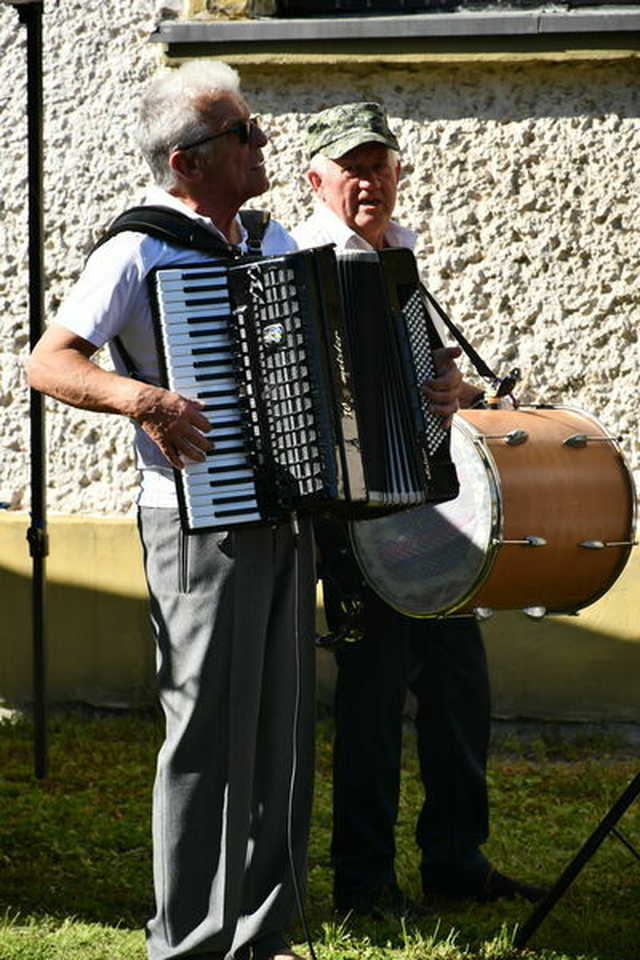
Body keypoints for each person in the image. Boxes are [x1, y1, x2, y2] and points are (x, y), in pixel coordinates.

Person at [26, 61, 317, 960]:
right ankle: (186, 940)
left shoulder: (274, 244)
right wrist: (143, 401)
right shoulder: (140, 248)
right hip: (196, 521)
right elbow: (51, 361)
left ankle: (263, 935)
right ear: (189, 161)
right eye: (245, 135)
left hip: (287, 512)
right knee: (203, 734)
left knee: (283, 730)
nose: (263, 145)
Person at [291, 102, 545, 917]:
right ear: (316, 179)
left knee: (457, 681)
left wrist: (452, 389)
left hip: (417, 499)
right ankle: (365, 884)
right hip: (348, 508)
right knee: (372, 694)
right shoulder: (297, 257)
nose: (368, 181)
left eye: (380, 165)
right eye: (352, 168)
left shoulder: (397, 251)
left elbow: (423, 371)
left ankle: (455, 859)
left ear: (398, 172)